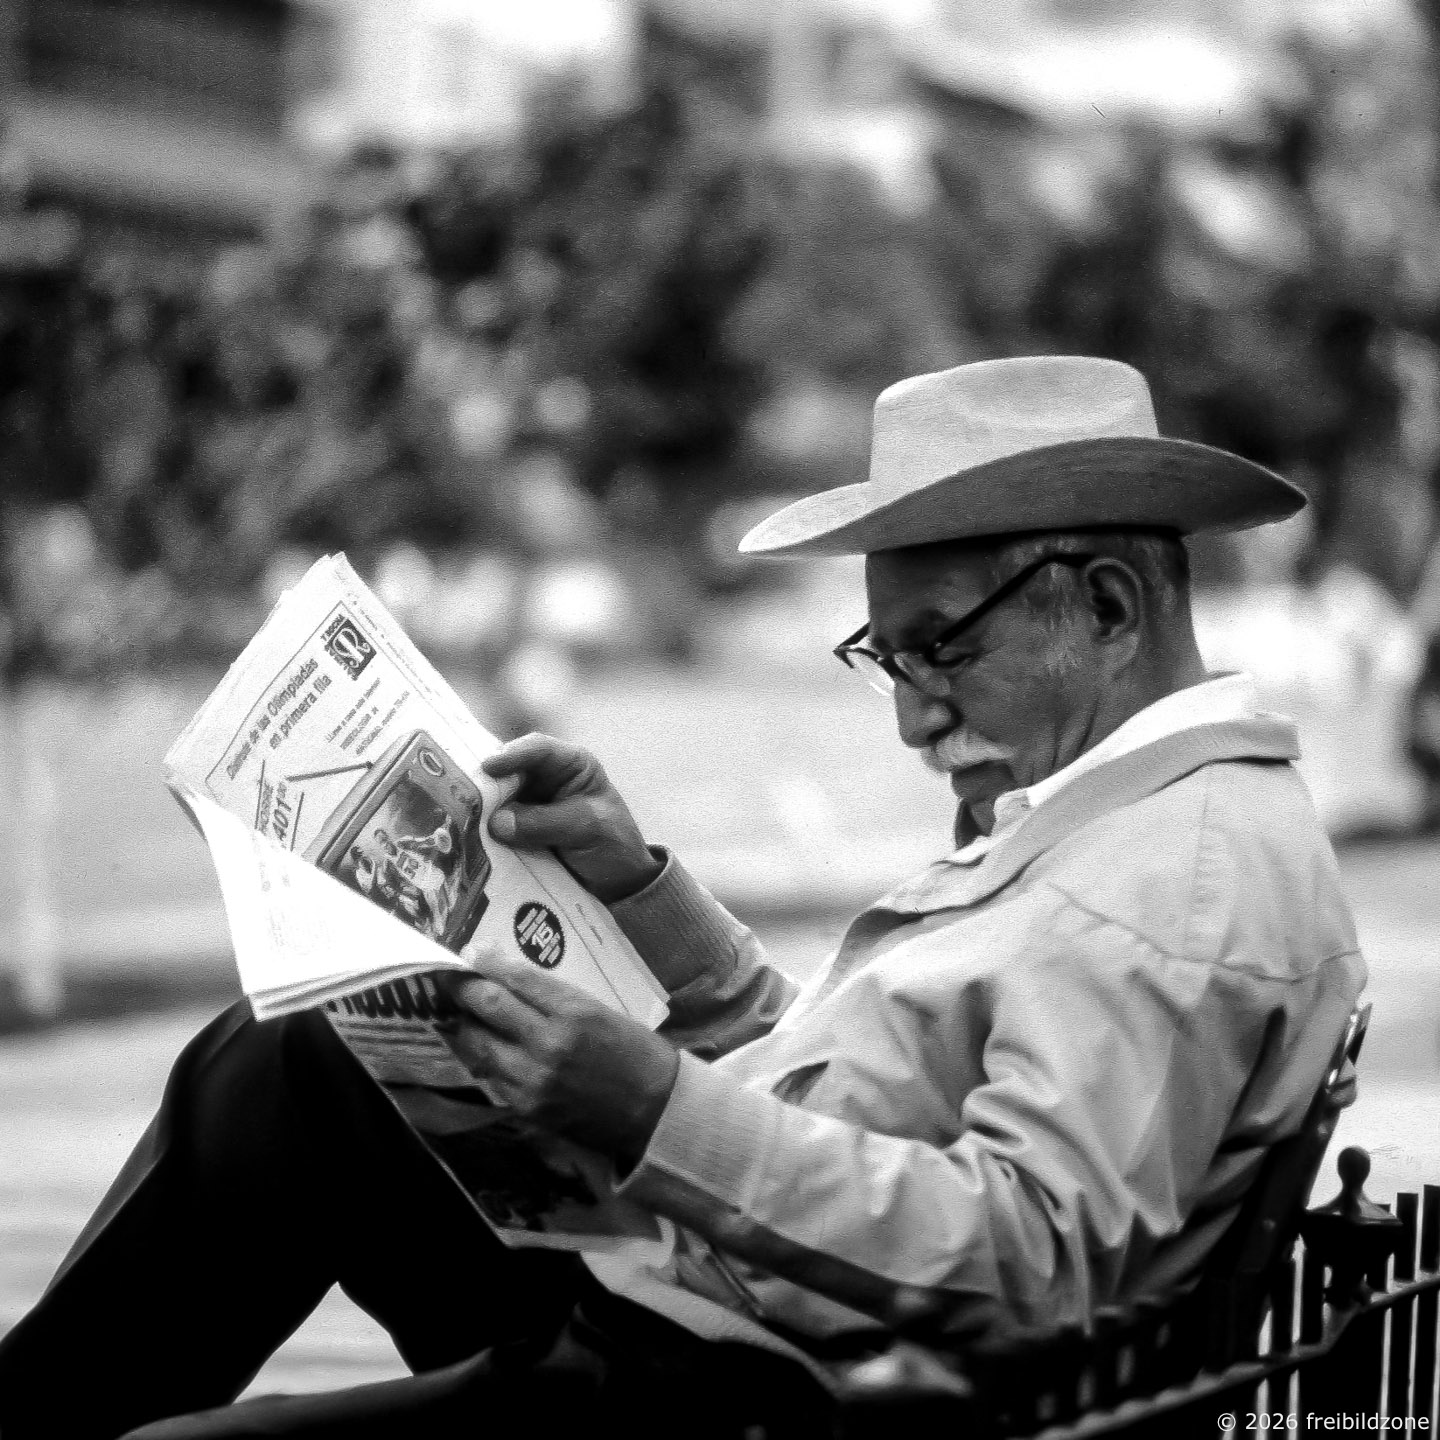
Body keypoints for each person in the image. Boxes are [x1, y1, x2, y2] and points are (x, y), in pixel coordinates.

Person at [0, 356, 1367, 1439]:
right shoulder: (1130, 817)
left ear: (1113, 609)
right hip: (723, 1302)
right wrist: (638, 886)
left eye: (940, 650)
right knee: (304, 1056)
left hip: (751, 1388)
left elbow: (1019, 1258)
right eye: (885, 659)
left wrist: (650, 1110)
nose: (913, 718)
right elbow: (854, 1088)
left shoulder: (1166, 889)